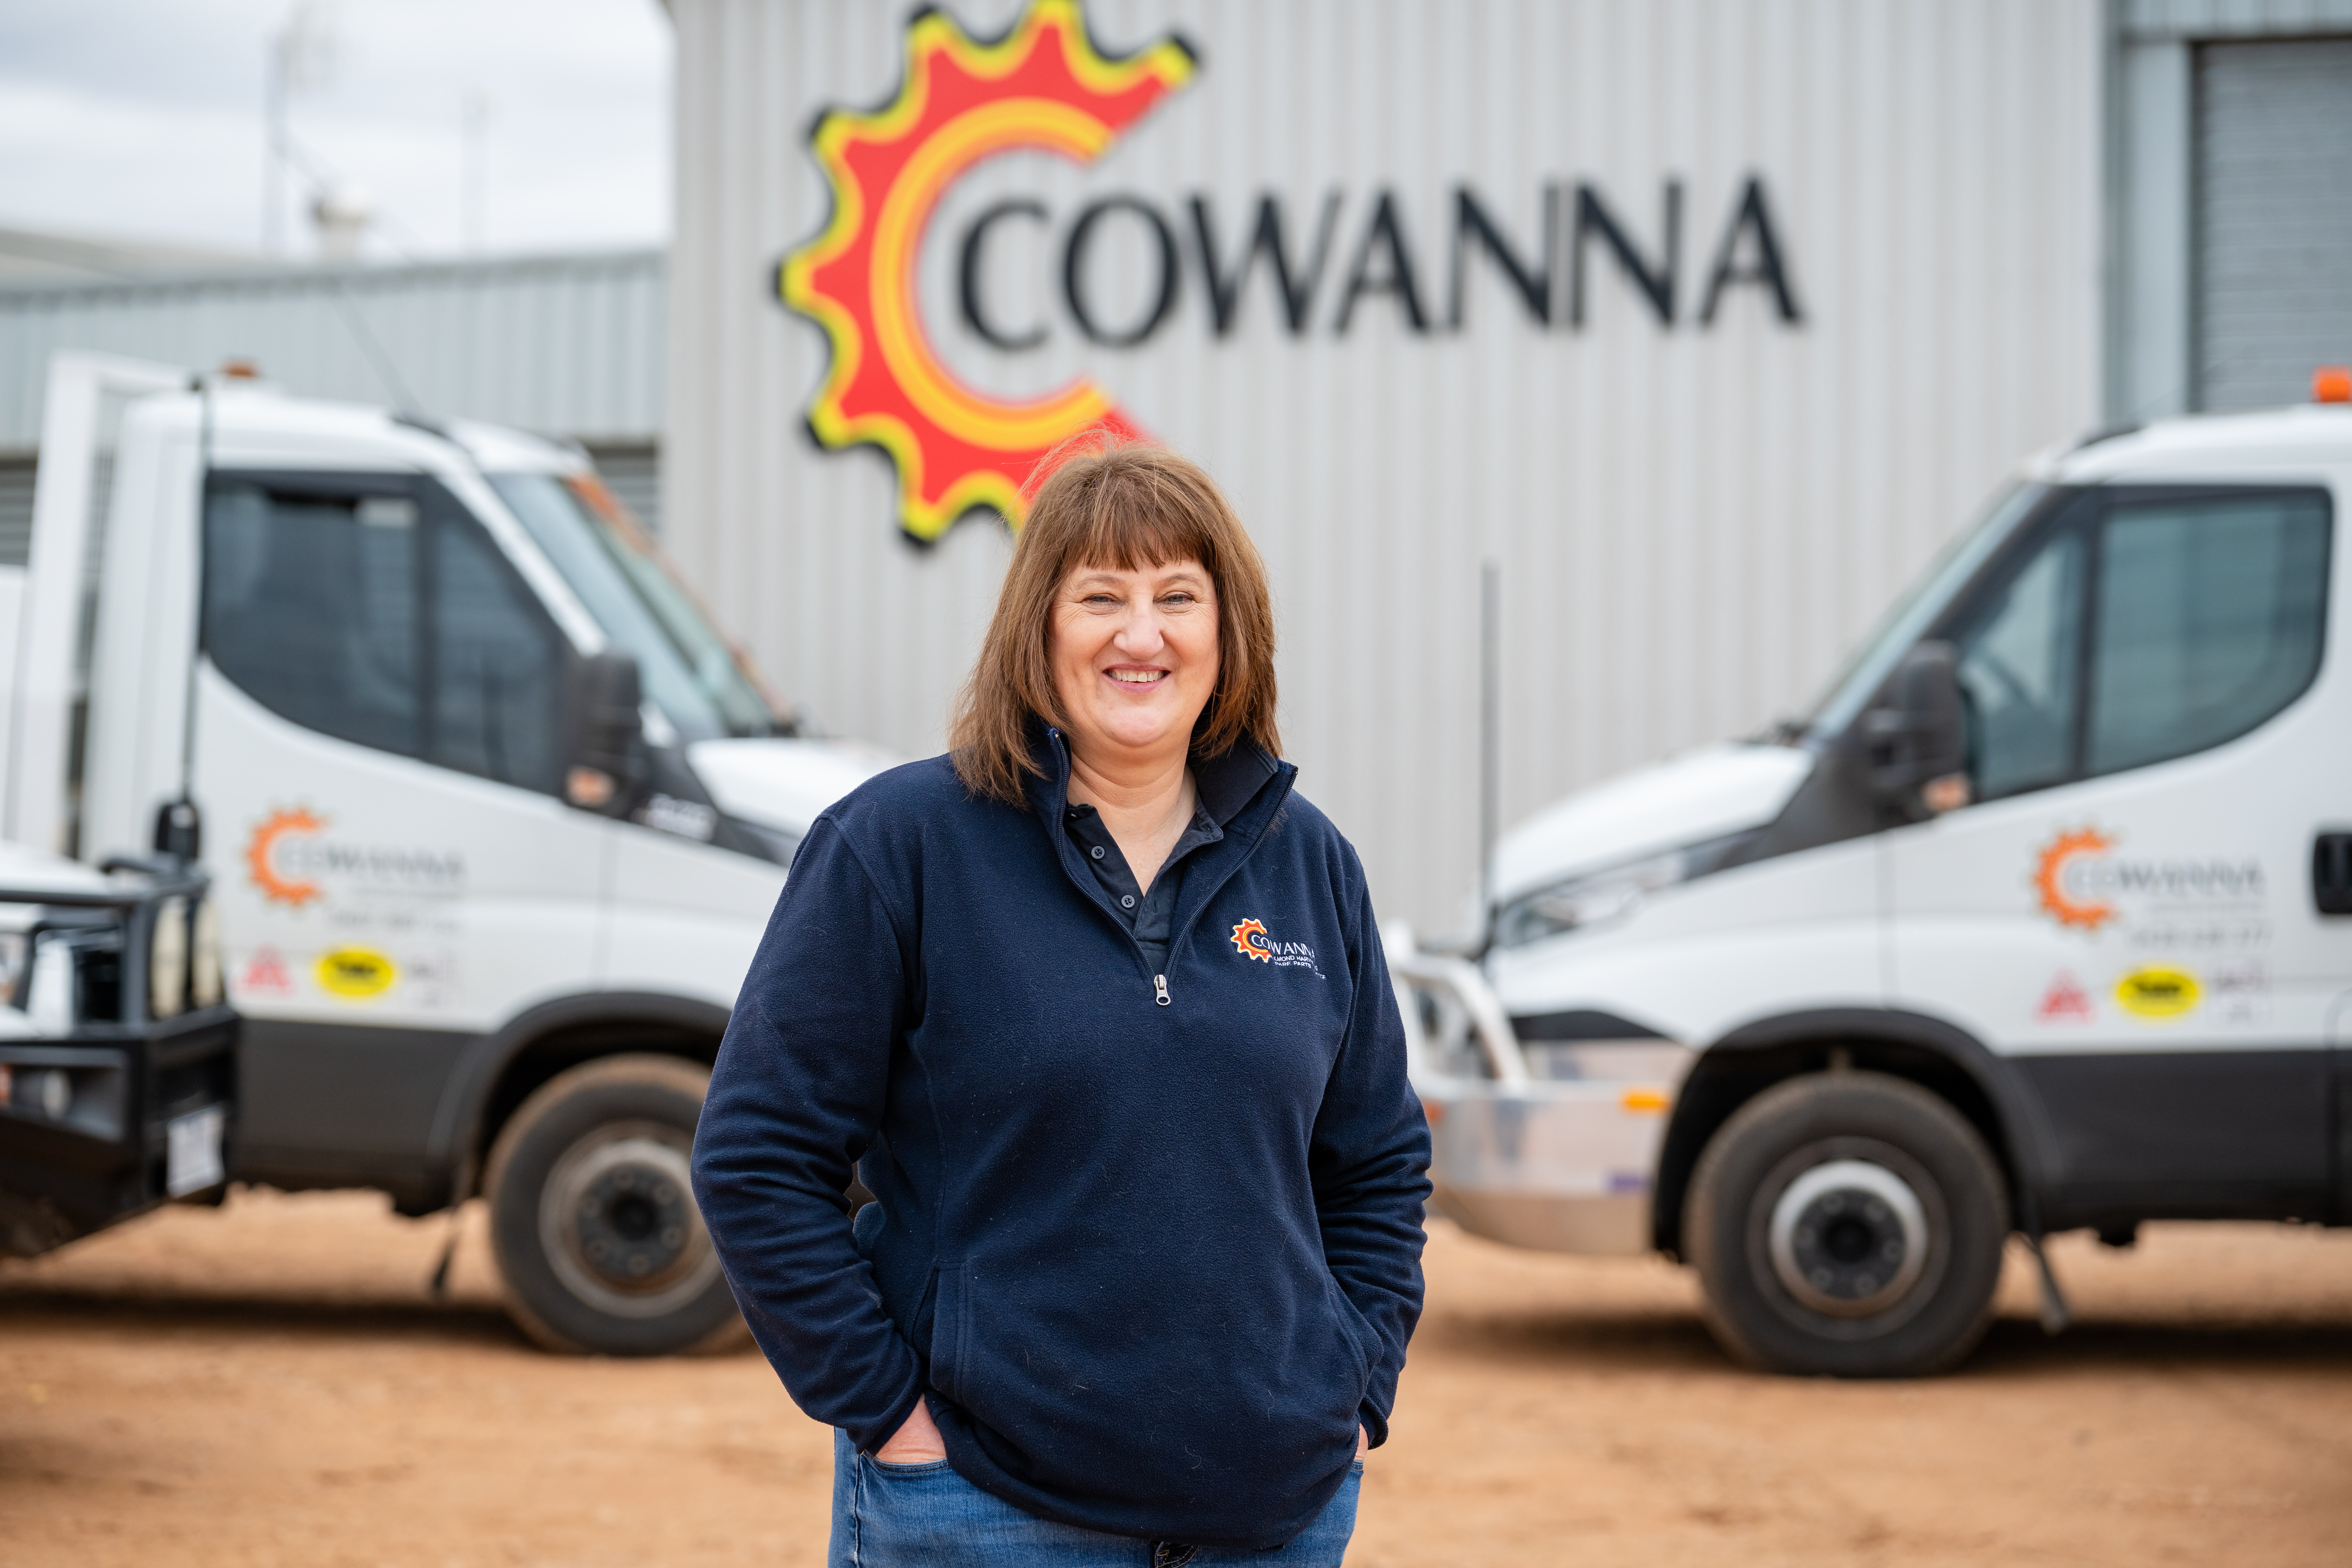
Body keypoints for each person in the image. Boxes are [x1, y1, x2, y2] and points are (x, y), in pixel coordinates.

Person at [691, 440, 1431, 1565]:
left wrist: (1354, 1390)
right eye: (1100, 597)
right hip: (983, 1507)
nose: (1142, 635)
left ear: (1227, 632)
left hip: (1271, 1512)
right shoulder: (899, 847)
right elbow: (756, 1155)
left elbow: (1376, 1161)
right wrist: (890, 1416)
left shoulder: (1309, 862)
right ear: (1037, 627)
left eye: (1177, 596)